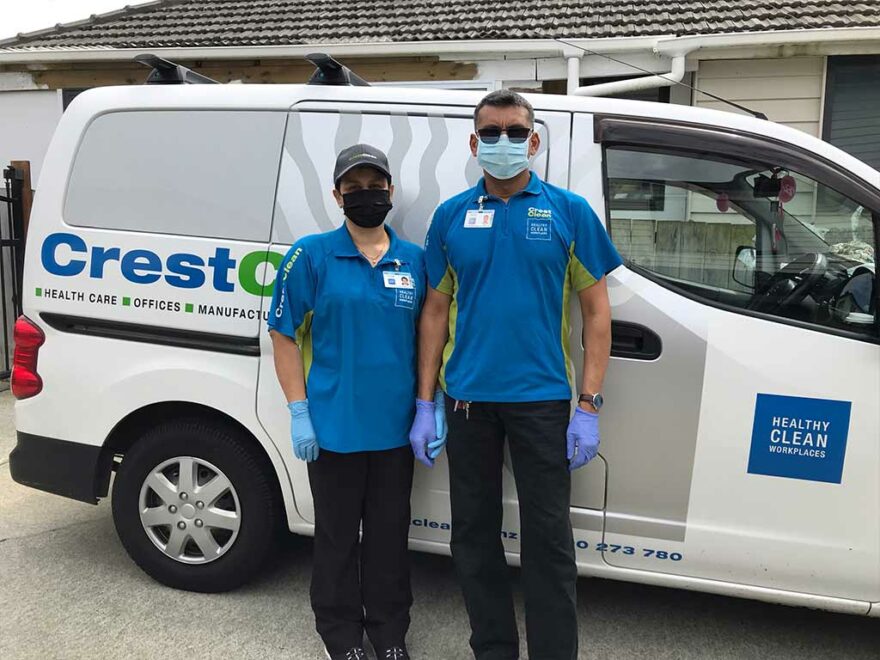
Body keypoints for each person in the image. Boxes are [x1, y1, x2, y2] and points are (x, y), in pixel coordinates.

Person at [409, 90, 622, 660]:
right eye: (491, 132)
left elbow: (597, 313)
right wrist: (425, 403)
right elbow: (433, 311)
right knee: (473, 540)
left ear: (533, 140)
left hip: (544, 403)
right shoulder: (451, 216)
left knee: (549, 543)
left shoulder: (568, 211)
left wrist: (588, 406)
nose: (503, 142)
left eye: (514, 131)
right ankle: (494, 651)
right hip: (468, 402)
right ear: (475, 142)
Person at [269, 144, 445, 660]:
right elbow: (282, 334)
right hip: (333, 429)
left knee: (390, 538)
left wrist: (427, 407)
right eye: (354, 187)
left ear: (390, 191)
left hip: (396, 430)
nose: (365, 194)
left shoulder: (415, 260)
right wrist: (299, 411)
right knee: (338, 538)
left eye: (375, 185)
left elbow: (430, 338)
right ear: (337, 194)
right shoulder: (311, 255)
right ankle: (341, 635)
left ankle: (390, 634)